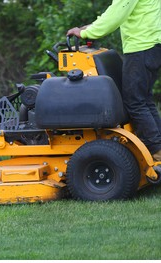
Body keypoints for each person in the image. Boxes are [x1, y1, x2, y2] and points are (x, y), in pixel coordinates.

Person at [67, 0, 161, 161]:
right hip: (151, 47)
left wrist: (84, 33)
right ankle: (157, 145)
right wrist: (89, 27)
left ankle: (155, 149)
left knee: (135, 102)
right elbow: (116, 12)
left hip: (141, 48)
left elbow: (116, 14)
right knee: (144, 100)